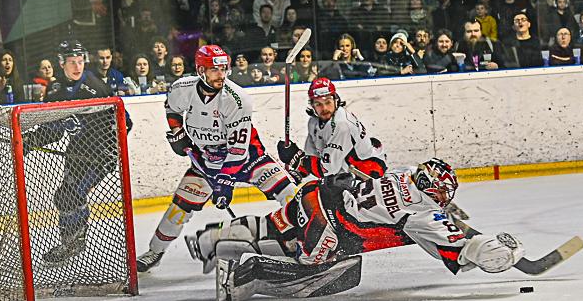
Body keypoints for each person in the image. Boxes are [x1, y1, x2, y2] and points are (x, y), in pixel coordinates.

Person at [192, 160, 529, 301]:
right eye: (442, 193)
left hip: (317, 194)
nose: (444, 198)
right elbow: (463, 249)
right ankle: (239, 279)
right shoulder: (424, 215)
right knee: (329, 273)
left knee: (274, 227)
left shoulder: (405, 172)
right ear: (431, 189)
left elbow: (364, 173)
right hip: (329, 229)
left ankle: (209, 239)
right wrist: (498, 252)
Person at [135, 45, 298, 273]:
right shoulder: (182, 88)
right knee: (179, 209)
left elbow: (238, 151)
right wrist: (178, 132)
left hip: (249, 159)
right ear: (200, 70)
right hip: (207, 161)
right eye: (214, 70)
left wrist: (224, 183)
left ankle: (301, 241)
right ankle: (155, 251)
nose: (221, 75)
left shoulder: (237, 99)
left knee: (291, 194)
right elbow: (172, 108)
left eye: (224, 69)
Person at [29, 40, 133, 264]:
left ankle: (75, 241)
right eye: (72, 62)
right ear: (61, 63)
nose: (77, 67)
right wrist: (31, 140)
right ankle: (71, 241)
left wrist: (112, 145)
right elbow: (54, 130)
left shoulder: (96, 87)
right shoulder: (56, 90)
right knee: (64, 196)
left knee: (72, 195)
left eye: (80, 61)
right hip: (76, 152)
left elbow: (125, 121)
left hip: (100, 154)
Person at [276, 78, 386, 187]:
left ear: (335, 100)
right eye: (318, 104)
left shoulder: (342, 124)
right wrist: (299, 171)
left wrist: (296, 159)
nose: (324, 108)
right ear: (312, 105)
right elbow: (311, 156)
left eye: (328, 102)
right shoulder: (313, 122)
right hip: (344, 173)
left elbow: (328, 170)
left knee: (315, 193)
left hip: (367, 175)